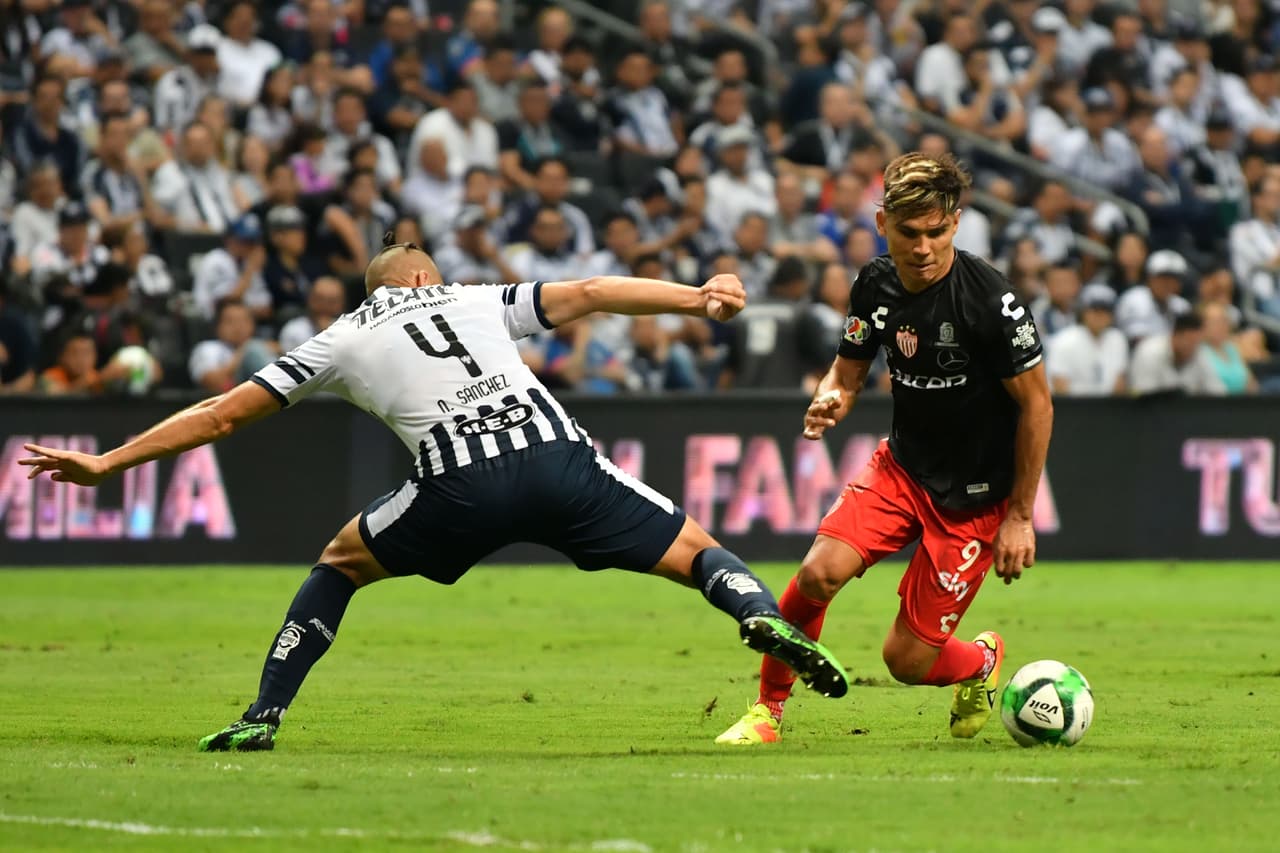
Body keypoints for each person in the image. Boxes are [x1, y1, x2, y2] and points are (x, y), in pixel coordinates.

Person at [19, 235, 852, 753]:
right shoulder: (476, 297)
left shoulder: (339, 337)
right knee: (696, 548)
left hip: (459, 484)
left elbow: (220, 416)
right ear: (422, 276)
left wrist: (111, 463)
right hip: (558, 460)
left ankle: (264, 713)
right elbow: (594, 294)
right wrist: (697, 297)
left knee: (340, 561)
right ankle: (752, 612)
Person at [716, 152, 1053, 746]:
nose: (922, 247)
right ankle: (768, 712)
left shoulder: (991, 302)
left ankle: (978, 663)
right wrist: (829, 399)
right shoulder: (873, 283)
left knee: (907, 661)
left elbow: (1038, 405)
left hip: (974, 500)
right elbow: (846, 378)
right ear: (881, 225)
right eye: (908, 233)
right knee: (818, 574)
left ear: (955, 223)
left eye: (936, 232)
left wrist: (1020, 516)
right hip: (902, 470)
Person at [1045, 284, 1129, 396]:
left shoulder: (1118, 339)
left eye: (1105, 310)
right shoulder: (1064, 340)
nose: (1099, 315)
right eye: (1094, 310)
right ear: (1083, 312)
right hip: (1071, 408)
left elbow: (1120, 385)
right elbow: (1060, 387)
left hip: (1108, 408)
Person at [1129, 311, 1227, 396]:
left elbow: (1218, 392)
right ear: (1174, 336)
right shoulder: (1149, 352)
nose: (1192, 347)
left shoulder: (1199, 351)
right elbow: (1144, 395)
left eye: (1196, 342)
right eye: (1188, 341)